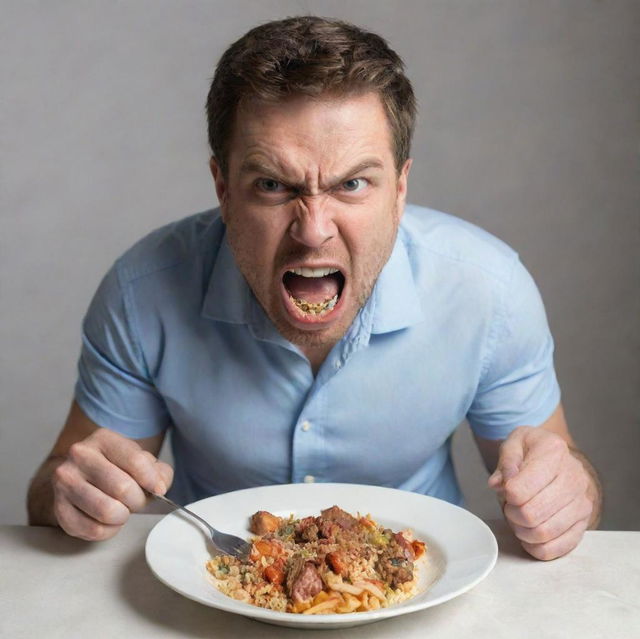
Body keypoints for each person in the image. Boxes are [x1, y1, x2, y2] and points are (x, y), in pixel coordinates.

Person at [27, 16, 601, 560]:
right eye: (273, 185)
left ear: (399, 188)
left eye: (352, 183)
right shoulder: (141, 292)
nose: (313, 229)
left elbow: (568, 477)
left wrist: (568, 494)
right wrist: (70, 495)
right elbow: (56, 490)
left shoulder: (489, 292)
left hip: (424, 590)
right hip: (217, 587)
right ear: (223, 188)